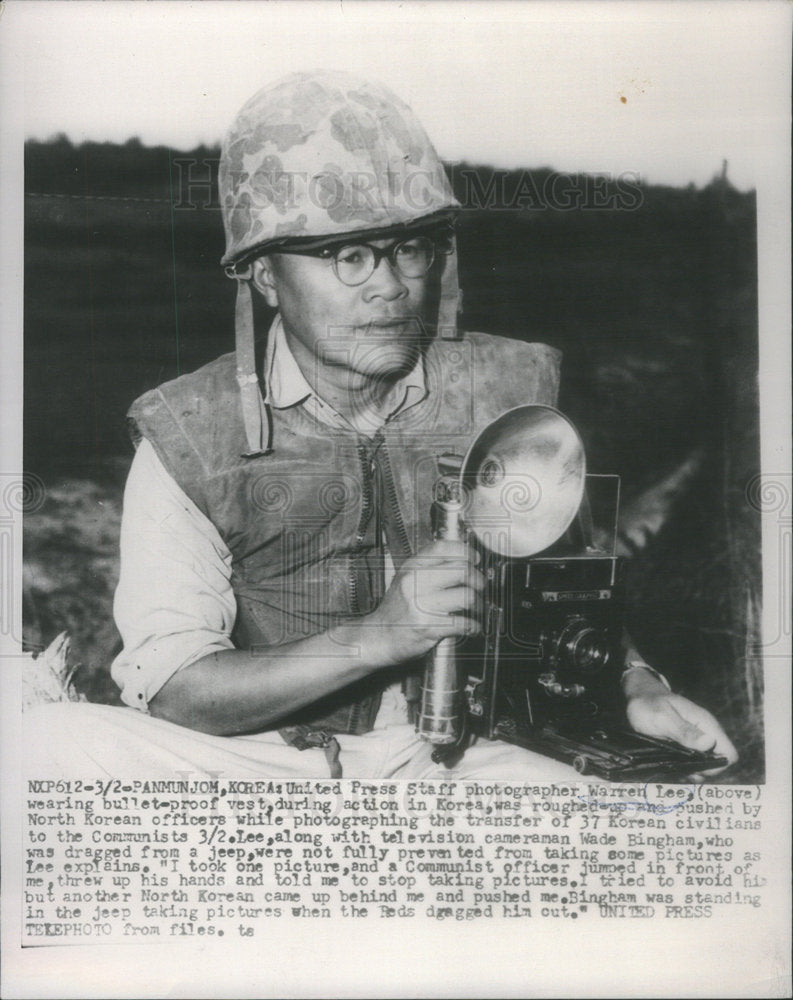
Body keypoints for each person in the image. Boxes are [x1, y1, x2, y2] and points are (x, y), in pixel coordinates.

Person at [29, 70, 737, 780]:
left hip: (472, 757)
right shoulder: (188, 432)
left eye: (409, 248)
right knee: (45, 744)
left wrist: (636, 687)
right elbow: (177, 688)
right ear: (265, 275)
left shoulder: (512, 395)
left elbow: (569, 591)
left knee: (655, 802)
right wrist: (379, 637)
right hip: (266, 759)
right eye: (347, 255)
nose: (389, 285)